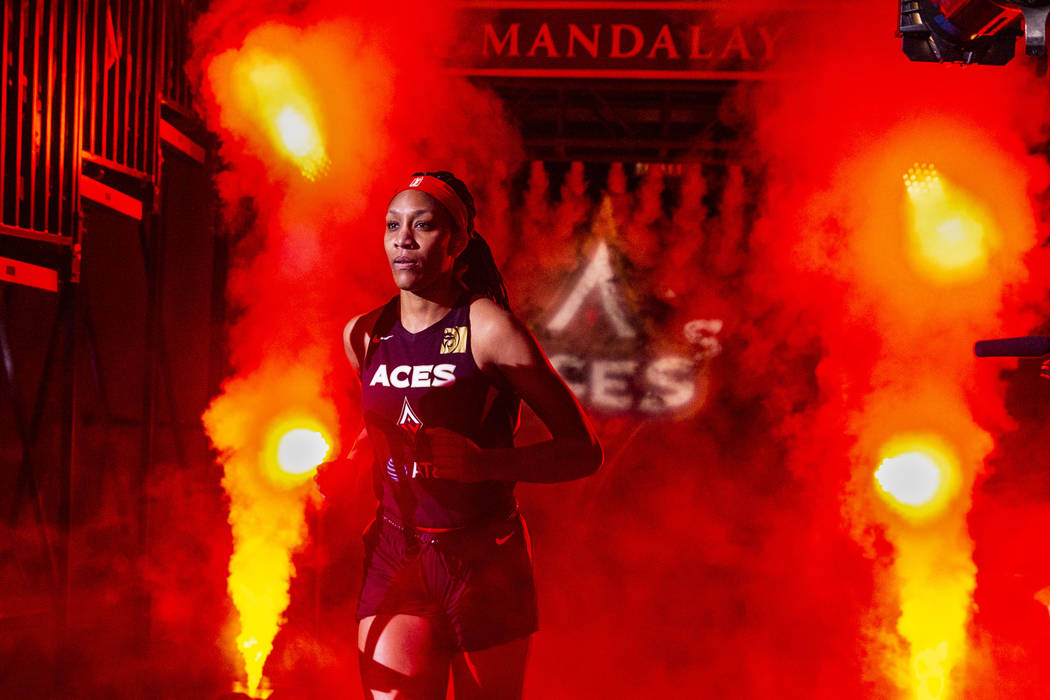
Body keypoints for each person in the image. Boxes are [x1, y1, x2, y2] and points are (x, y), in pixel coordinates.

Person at [342, 171, 603, 700]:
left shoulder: (489, 329)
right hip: (397, 551)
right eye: (393, 226)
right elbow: (380, 427)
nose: (403, 240)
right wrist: (351, 462)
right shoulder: (363, 333)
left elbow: (583, 451)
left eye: (423, 226)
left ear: (458, 242)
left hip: (484, 557)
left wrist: (486, 464)